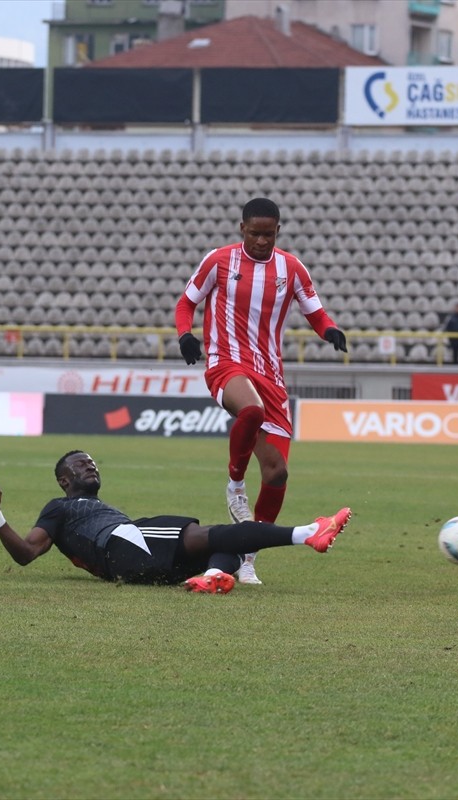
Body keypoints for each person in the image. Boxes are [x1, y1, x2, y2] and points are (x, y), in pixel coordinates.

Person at [174, 197, 347, 586]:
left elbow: (315, 312)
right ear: (242, 229)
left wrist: (329, 329)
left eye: (268, 234)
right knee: (249, 411)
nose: (261, 241)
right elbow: (186, 302)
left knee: (277, 473)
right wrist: (185, 335)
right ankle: (235, 484)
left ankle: (247, 556)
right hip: (226, 364)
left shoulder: (292, 268)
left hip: (272, 376)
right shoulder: (218, 261)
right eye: (254, 233)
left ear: (278, 232)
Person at [0, 450, 352, 594]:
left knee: (228, 549)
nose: (90, 466)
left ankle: (211, 577)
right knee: (220, 533)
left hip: (131, 565)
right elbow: (26, 553)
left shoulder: (90, 508)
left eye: (92, 462)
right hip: (124, 541)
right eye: (80, 464)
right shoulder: (59, 507)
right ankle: (308, 533)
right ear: (64, 479)